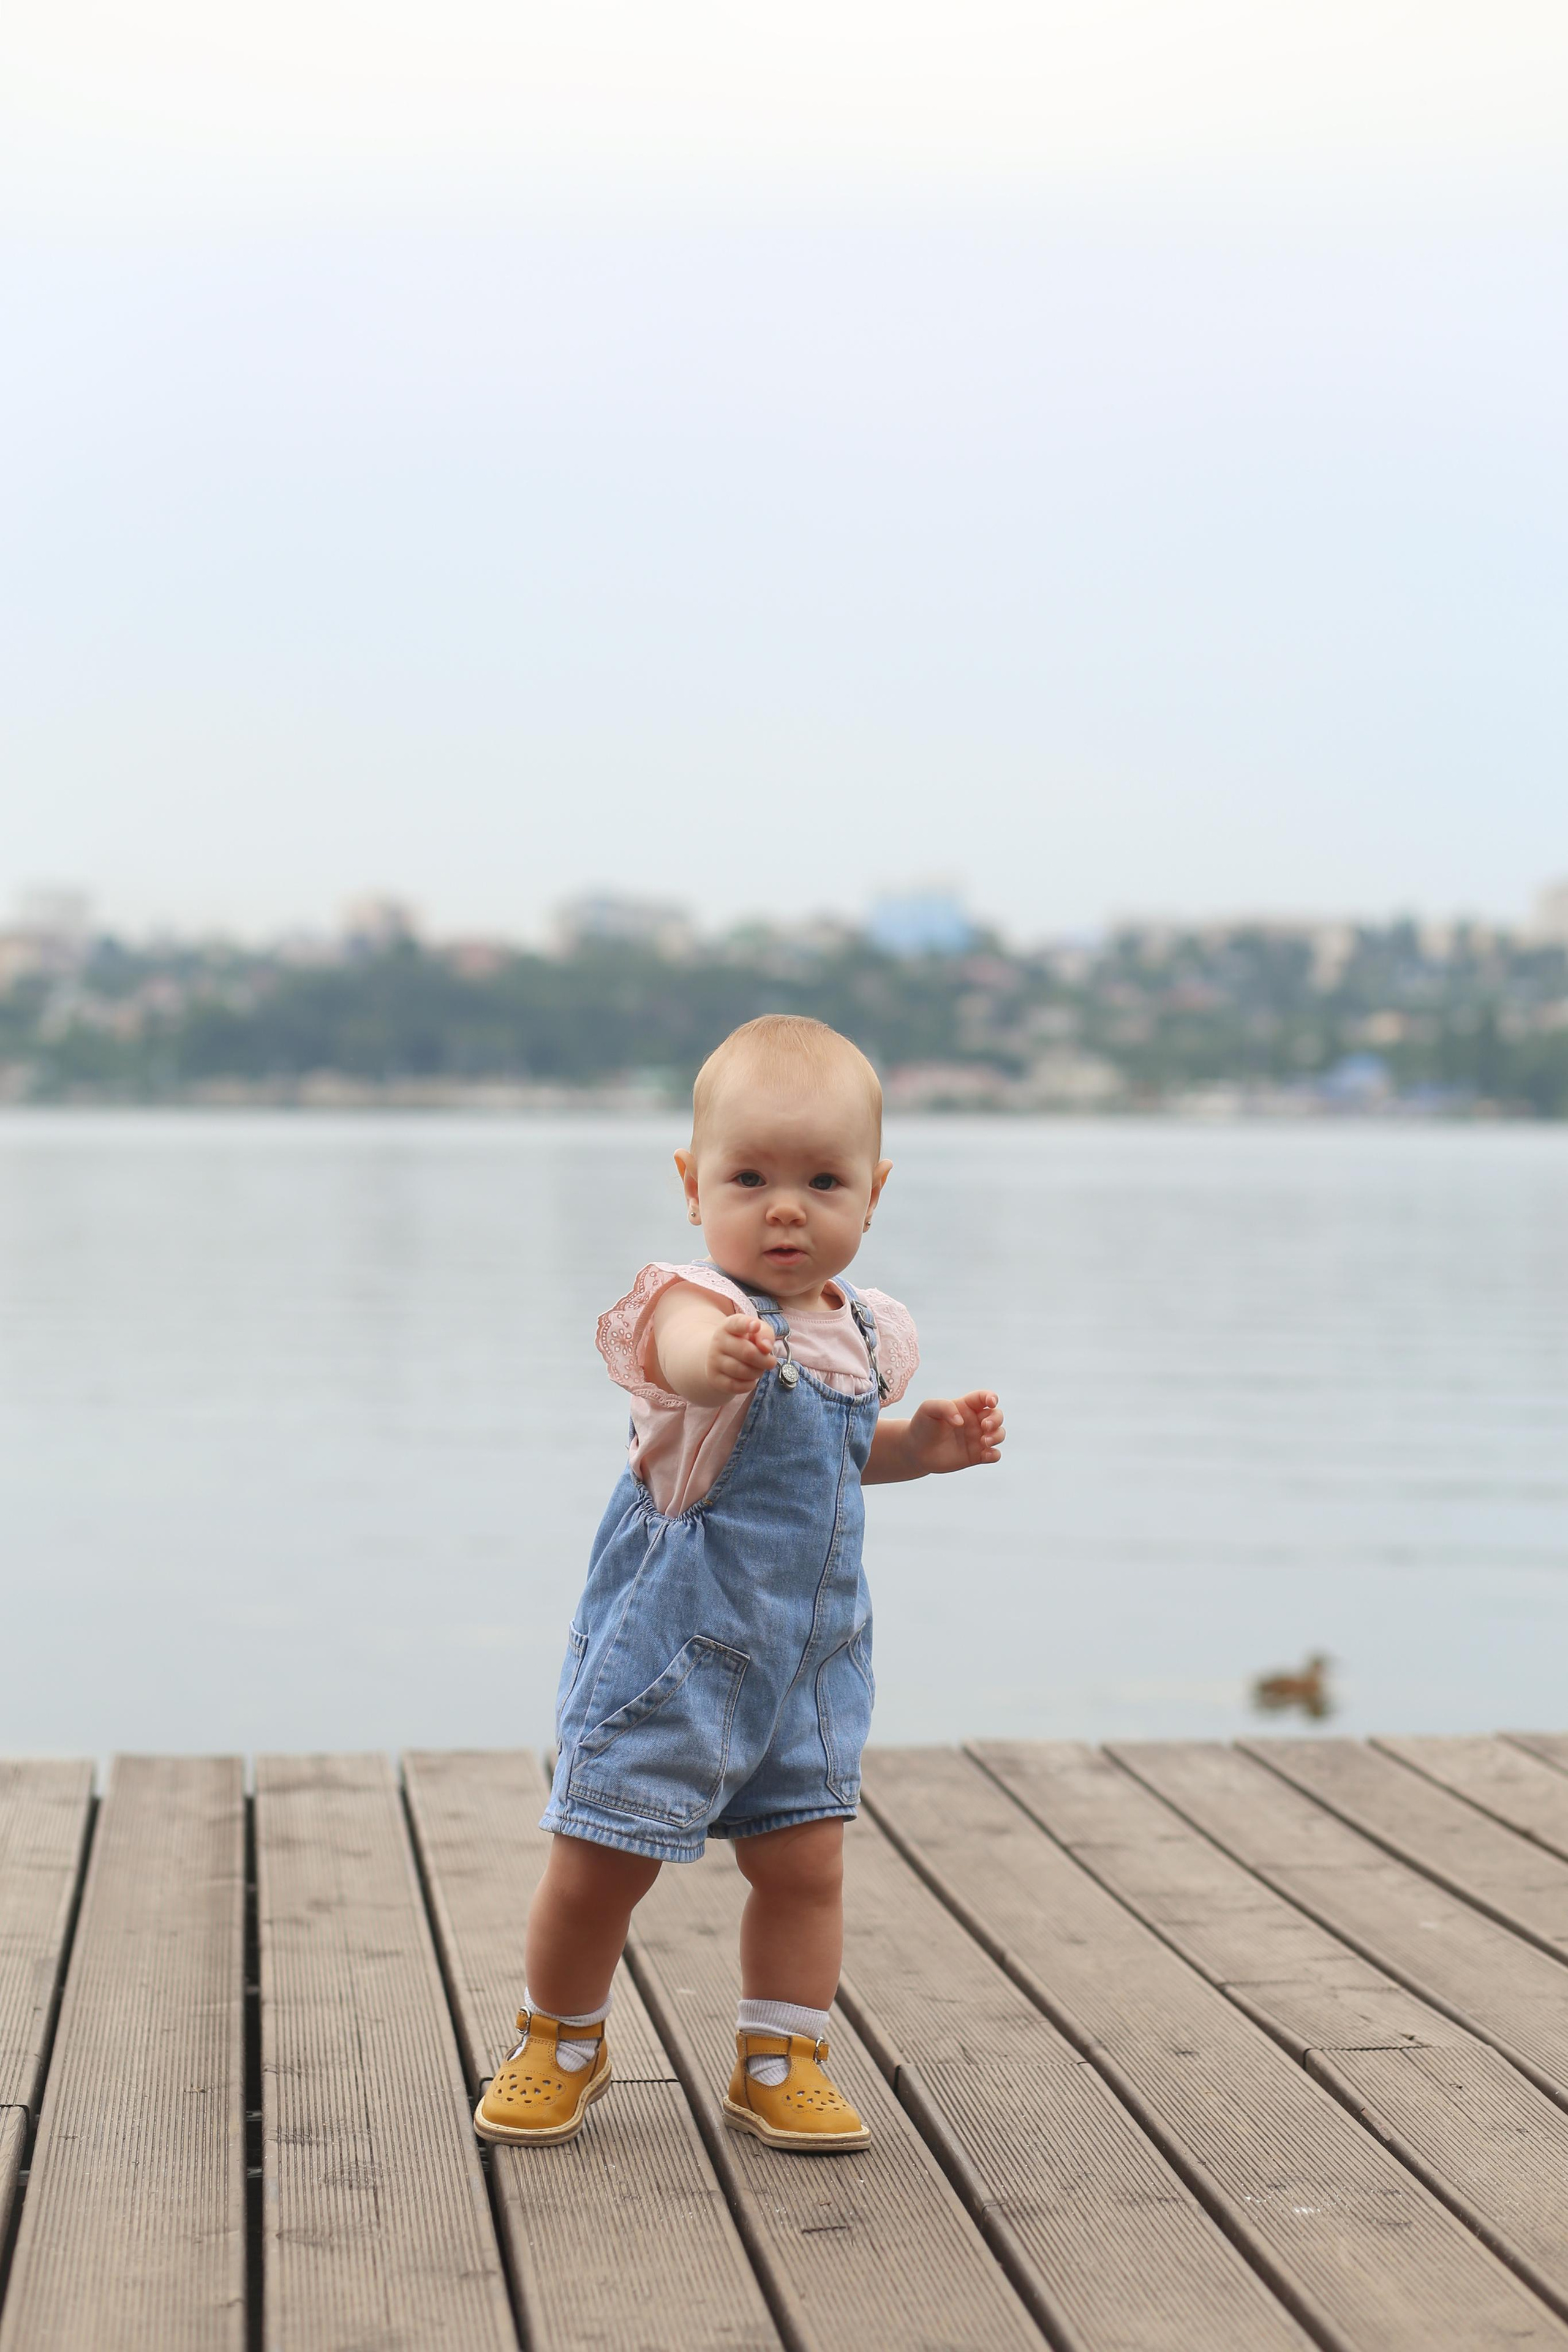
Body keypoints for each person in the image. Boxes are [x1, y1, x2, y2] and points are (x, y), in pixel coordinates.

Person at [474, 1014, 1006, 2152]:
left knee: (805, 1863)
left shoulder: (864, 1333)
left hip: (810, 1658)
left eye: (824, 1182)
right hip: (674, 1649)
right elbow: (676, 1365)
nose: (786, 1209)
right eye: (750, 1178)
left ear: (874, 1194)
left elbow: (839, 1460)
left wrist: (923, 1447)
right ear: (693, 1183)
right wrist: (709, 1364)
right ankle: (560, 2038)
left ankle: (781, 2055)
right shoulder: (693, 1306)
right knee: (604, 1854)